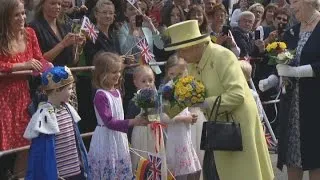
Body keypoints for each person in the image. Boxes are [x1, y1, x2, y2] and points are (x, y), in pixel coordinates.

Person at [164, 20, 274, 180]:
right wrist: (159, 110)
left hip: (238, 124)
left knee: (242, 173)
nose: (179, 55)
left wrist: (204, 103)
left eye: (181, 50)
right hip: (217, 125)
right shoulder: (193, 64)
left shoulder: (223, 56)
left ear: (194, 45)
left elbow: (237, 95)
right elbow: (187, 96)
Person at [259, 0, 320, 180]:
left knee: (316, 158)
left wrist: (297, 72)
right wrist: (271, 79)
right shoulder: (292, 31)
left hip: (315, 105)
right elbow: (281, 61)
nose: (291, 7)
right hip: (292, 106)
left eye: (295, 2)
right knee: (293, 157)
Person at [0, 0, 49, 178]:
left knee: (25, 140)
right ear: (5, 17)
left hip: (23, 96)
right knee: (4, 146)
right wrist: (22, 65)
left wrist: (51, 68)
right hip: (3, 98)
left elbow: (38, 59)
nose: (22, 18)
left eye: (23, 13)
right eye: (16, 14)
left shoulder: (30, 33)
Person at [87, 52, 149, 179]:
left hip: (118, 138)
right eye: (114, 72)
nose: (118, 75)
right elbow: (109, 122)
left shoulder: (116, 91)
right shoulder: (101, 95)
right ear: (102, 74)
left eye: (119, 71)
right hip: (106, 139)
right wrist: (133, 122)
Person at [24, 66, 89, 180]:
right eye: (69, 89)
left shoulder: (68, 108)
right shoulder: (45, 115)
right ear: (57, 90)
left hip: (75, 168)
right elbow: (43, 149)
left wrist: (81, 161)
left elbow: (75, 139)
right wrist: (53, 171)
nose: (72, 92)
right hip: (60, 173)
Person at [161, 54, 202, 180]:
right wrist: (185, 118)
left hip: (185, 134)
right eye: (172, 74)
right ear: (168, 72)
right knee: (179, 172)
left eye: (179, 74)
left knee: (193, 170)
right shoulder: (167, 89)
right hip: (175, 136)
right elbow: (164, 117)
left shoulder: (184, 87)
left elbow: (182, 110)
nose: (175, 78)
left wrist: (189, 115)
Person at [127, 65, 157, 171]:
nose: (148, 84)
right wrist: (128, 139)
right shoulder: (134, 101)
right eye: (143, 81)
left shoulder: (157, 100)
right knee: (141, 161)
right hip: (140, 134)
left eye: (150, 80)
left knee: (155, 161)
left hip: (154, 134)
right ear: (135, 83)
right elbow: (129, 122)